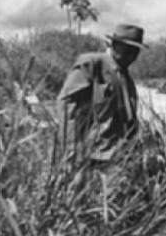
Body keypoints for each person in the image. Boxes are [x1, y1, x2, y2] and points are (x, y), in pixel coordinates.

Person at [58, 23, 146, 166]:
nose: (132, 55)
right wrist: (72, 147)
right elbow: (67, 104)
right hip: (93, 154)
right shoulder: (92, 64)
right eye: (127, 49)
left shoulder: (125, 76)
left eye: (136, 50)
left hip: (119, 154)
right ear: (114, 44)